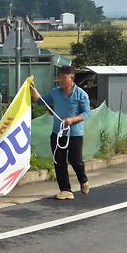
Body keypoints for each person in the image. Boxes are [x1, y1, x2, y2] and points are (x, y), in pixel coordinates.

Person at [30, 66, 91, 200]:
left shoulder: (81, 94)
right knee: (59, 161)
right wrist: (33, 90)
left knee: (75, 160)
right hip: (57, 133)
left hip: (75, 134)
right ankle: (65, 190)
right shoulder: (55, 92)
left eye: (64, 78)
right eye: (59, 78)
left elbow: (86, 113)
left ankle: (83, 180)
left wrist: (72, 119)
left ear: (71, 78)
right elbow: (40, 101)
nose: (61, 80)